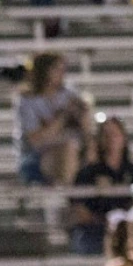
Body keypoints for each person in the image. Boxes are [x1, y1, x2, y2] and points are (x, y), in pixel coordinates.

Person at [15, 52, 88, 186]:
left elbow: (86, 130)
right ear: (44, 71)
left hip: (71, 151)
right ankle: (68, 194)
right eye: (57, 69)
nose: (62, 74)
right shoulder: (28, 101)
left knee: (80, 148)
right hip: (36, 158)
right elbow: (35, 140)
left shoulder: (69, 95)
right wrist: (63, 117)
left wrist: (81, 114)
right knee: (68, 151)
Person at [71, 114, 133, 255]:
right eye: (106, 134)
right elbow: (80, 212)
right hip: (96, 230)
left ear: (123, 138)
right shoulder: (87, 173)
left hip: (128, 229)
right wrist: (104, 221)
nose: (111, 139)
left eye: (115, 134)